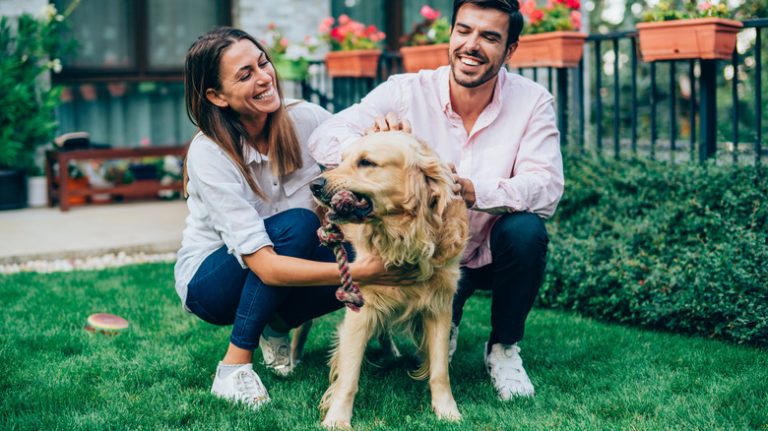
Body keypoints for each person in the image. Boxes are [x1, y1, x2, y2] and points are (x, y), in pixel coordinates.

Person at [308, 0, 564, 399]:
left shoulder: (533, 102)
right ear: (451, 33)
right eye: (464, 31)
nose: (471, 45)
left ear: (510, 50)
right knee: (434, 321)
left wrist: (473, 190)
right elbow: (324, 135)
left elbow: (547, 186)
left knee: (527, 230)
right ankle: (447, 326)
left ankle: (504, 348)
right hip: (422, 253)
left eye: (489, 37)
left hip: (487, 252)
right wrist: (369, 143)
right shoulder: (404, 91)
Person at [175, 27, 393, 409]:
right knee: (298, 225)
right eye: (245, 75)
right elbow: (267, 266)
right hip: (212, 284)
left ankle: (276, 323)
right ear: (216, 96)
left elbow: (357, 159)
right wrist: (358, 274)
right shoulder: (208, 153)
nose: (263, 78)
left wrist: (380, 133)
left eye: (263, 63)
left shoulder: (306, 119)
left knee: (345, 242)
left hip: (283, 261)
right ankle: (234, 365)